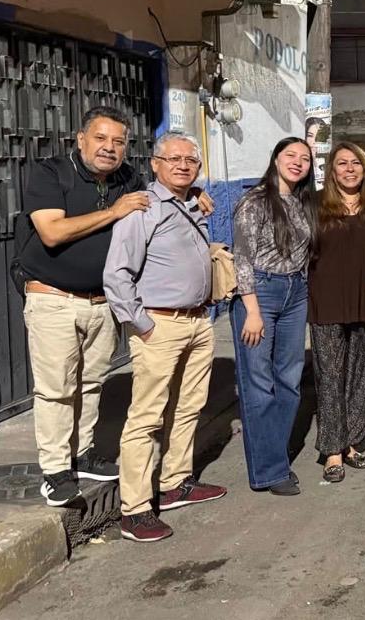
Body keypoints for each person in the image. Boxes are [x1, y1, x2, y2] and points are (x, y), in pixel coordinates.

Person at [18, 107, 149, 505]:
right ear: (80, 139)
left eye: (118, 142)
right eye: (101, 138)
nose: (109, 148)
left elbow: (156, 203)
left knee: (91, 383)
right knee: (56, 389)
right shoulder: (51, 173)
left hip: (102, 302)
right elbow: (52, 232)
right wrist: (114, 212)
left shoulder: (128, 179)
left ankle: (83, 454)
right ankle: (56, 471)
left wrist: (194, 195)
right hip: (54, 299)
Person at [104, 132, 226, 542]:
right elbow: (117, 274)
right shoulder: (143, 208)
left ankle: (175, 482)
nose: (182, 165)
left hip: (197, 322)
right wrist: (141, 324)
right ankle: (135, 510)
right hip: (160, 324)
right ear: (155, 164)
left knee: (189, 407)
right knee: (147, 417)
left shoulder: (193, 203)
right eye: (173, 159)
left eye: (190, 160)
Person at [231, 137, 316, 496]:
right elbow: (241, 257)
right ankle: (269, 471)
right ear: (276, 159)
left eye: (305, 158)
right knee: (259, 384)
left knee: (289, 380)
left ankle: (275, 455)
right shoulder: (255, 201)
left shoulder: (302, 202)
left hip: (296, 292)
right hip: (260, 293)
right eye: (290, 155)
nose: (297, 162)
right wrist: (252, 310)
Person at [307, 142, 365, 483]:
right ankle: (332, 449)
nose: (350, 169)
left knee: (361, 375)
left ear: (364, 169)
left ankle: (351, 443)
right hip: (326, 303)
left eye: (356, 163)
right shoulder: (314, 205)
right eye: (342, 163)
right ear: (332, 170)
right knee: (330, 377)